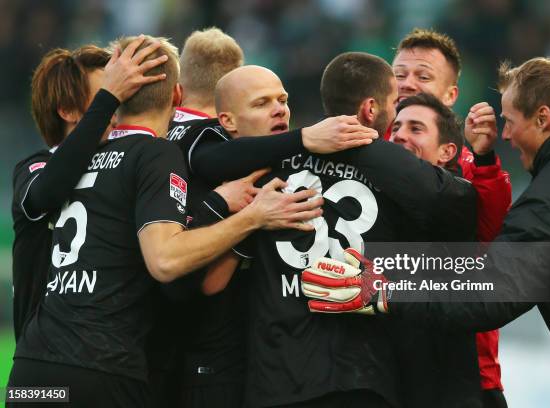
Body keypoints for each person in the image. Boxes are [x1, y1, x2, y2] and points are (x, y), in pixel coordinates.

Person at [8, 35, 323, 408]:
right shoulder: (153, 154)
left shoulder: (75, 164)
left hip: (30, 369)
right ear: (177, 95)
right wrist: (249, 215)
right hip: (106, 369)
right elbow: (167, 262)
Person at [303, 56, 550, 408]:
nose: (505, 135)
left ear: (543, 118)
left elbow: (491, 292)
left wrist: (382, 292)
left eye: (510, 122)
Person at [208, 53, 476, 407]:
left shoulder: (268, 164)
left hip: (276, 376)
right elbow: (461, 204)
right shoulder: (397, 177)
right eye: (394, 104)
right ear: (370, 109)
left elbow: (206, 161)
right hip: (361, 377)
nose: (396, 117)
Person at [165, 28, 379, 408]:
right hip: (213, 365)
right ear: (225, 120)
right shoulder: (209, 153)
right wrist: (252, 219)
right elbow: (212, 283)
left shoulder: (273, 170)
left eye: (283, 99)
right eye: (263, 103)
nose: (280, 109)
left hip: (278, 368)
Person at [11, 37, 167, 342]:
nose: (117, 110)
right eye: (107, 97)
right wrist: (108, 97)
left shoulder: (126, 168)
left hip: (102, 361)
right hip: (38, 371)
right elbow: (45, 194)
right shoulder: (34, 167)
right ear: (68, 111)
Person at [392, 28, 511, 406]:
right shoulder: (365, 157)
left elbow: (494, 242)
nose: (408, 84)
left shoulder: (476, 167)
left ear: (451, 94)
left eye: (423, 76)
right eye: (399, 74)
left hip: (467, 368)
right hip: (385, 365)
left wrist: (485, 160)